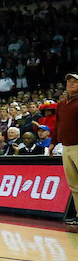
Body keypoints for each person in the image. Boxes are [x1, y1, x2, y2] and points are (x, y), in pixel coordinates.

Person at [55, 72, 78, 228]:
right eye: (69, 81)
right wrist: (53, 143)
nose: (70, 83)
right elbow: (57, 125)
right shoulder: (62, 104)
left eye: (75, 82)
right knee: (74, 186)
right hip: (66, 148)